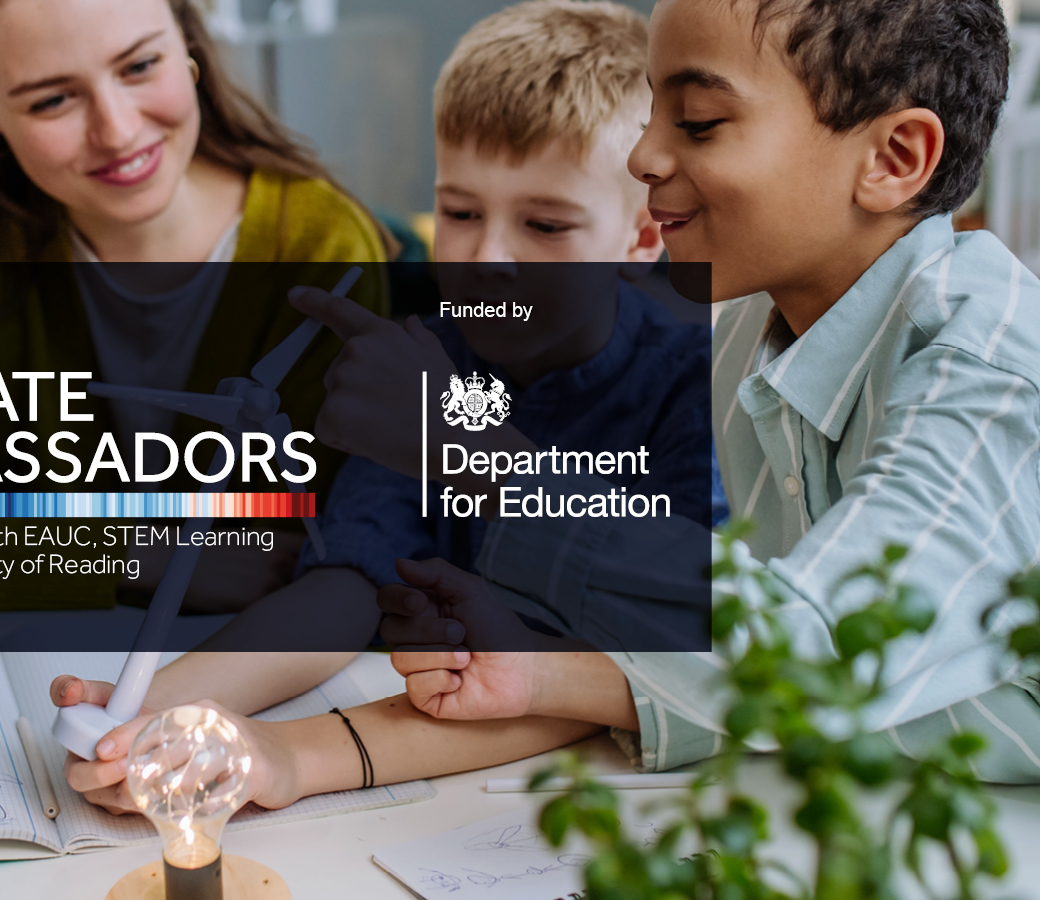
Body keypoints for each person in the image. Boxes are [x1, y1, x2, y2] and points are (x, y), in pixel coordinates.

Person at [52, 0, 691, 813]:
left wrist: (283, 756)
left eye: (545, 224)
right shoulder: (419, 360)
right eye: (460, 213)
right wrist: (157, 709)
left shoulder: (689, 391)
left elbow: (624, 668)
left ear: (642, 237)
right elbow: (348, 583)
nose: (487, 260)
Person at [397, 0, 1040, 782]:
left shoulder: (990, 365)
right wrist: (542, 676)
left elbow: (821, 657)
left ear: (894, 158)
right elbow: (786, 676)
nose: (643, 158)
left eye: (698, 121)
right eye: (653, 111)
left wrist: (481, 457)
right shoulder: (745, 326)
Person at [0, 0, 390, 614]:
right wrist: (138, 553)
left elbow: (347, 552)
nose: (118, 131)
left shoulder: (324, 248)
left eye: (140, 66)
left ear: (190, 48)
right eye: (52, 100)